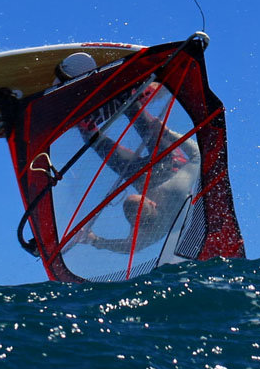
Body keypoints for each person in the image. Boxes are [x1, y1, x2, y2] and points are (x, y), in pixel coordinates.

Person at [75, 81, 200, 253]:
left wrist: (95, 241)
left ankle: (86, 126)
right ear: (152, 203)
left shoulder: (144, 231)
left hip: (140, 176)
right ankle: (136, 97)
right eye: (141, 197)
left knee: (95, 141)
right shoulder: (177, 191)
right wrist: (167, 133)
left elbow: (129, 248)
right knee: (138, 114)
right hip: (168, 162)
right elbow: (196, 155)